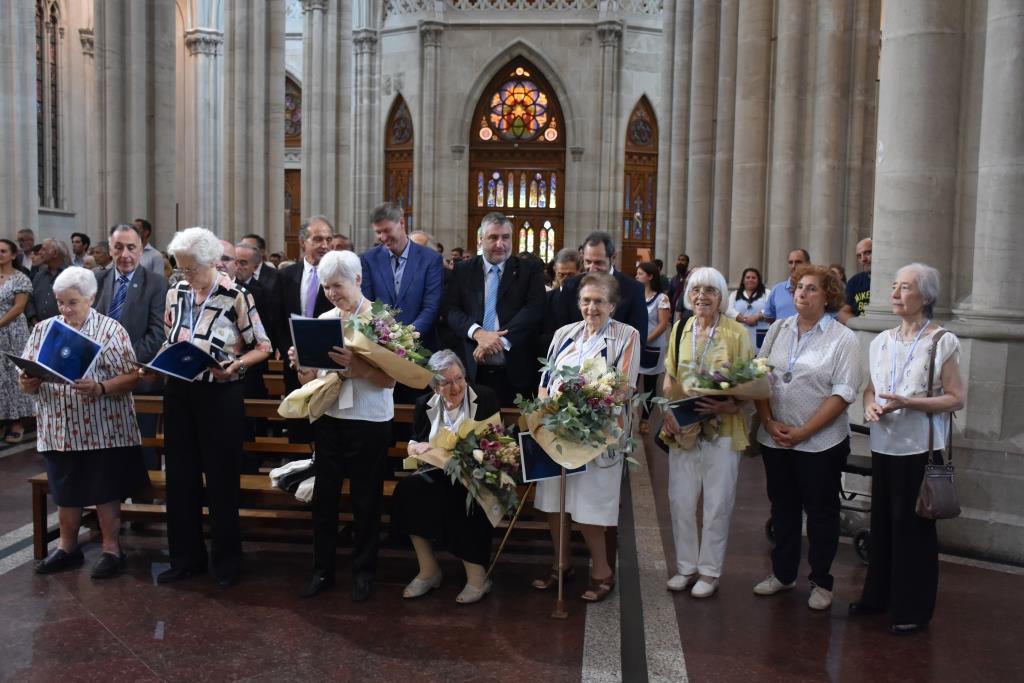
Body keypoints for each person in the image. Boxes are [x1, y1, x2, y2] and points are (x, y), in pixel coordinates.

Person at [153, 227, 271, 588]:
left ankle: (226, 563)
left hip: (220, 395)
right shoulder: (176, 293)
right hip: (179, 393)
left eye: (190, 269)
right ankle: (185, 559)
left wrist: (237, 366)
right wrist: (159, 360)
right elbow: (171, 338)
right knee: (181, 479)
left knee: (221, 482)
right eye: (180, 268)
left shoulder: (236, 295)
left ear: (210, 263)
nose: (184, 276)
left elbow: (262, 346)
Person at [852, 262, 964, 635]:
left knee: (913, 528)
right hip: (885, 444)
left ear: (926, 297)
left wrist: (909, 403)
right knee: (882, 522)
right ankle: (877, 597)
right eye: (895, 286)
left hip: (921, 447)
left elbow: (955, 398)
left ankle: (913, 608)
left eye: (905, 287)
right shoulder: (881, 340)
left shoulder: (941, 341)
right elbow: (871, 387)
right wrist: (870, 405)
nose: (896, 293)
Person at [20, 267, 147, 578]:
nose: (65, 309)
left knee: (105, 490)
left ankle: (111, 549)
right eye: (60, 302)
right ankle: (67, 548)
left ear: (91, 298)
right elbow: (25, 374)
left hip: (103, 425)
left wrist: (101, 387)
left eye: (72, 302)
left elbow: (132, 377)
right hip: (58, 427)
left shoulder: (110, 329)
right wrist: (27, 381)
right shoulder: (44, 329)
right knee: (65, 490)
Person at [287, 250, 394, 602]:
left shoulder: (382, 322)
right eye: (327, 286)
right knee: (325, 499)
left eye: (338, 285)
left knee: (366, 501)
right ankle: (322, 571)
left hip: (369, 421)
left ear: (358, 280)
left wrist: (355, 367)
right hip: (331, 418)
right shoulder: (324, 319)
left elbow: (391, 381)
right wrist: (301, 363)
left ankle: (364, 574)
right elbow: (311, 377)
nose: (332, 293)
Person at [753, 264, 861, 611]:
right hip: (776, 438)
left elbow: (843, 393)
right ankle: (783, 575)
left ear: (828, 295)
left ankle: (821, 581)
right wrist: (768, 421)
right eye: (799, 287)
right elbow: (759, 376)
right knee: (782, 508)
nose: (801, 292)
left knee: (821, 512)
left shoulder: (843, 338)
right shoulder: (780, 328)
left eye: (812, 288)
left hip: (821, 443)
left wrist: (804, 431)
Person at [533, 272, 640, 602]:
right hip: (559, 433)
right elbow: (546, 379)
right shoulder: (565, 333)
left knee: (590, 506)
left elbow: (622, 387)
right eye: (586, 301)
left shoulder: (625, 336)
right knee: (555, 501)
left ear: (612, 304)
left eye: (599, 301)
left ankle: (602, 571)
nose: (591, 307)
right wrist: (545, 409)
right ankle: (561, 564)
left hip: (599, 434)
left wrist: (582, 406)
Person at [661, 267, 753, 598]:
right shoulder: (681, 328)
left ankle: (709, 572)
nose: (702, 296)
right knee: (681, 500)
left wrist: (730, 406)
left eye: (710, 291)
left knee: (717, 503)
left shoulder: (736, 333)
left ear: (721, 297)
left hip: (723, 427)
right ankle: (686, 567)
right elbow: (669, 375)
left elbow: (750, 381)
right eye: (697, 290)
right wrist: (668, 411)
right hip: (684, 427)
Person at [391, 350, 502, 604]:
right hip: (437, 472)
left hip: (477, 474)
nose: (455, 387)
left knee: (461, 496)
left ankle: (477, 577)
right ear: (434, 386)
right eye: (446, 382)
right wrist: (415, 448)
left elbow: (496, 441)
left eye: (459, 379)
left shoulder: (484, 397)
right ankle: (429, 570)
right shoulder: (424, 405)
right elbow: (415, 442)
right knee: (408, 491)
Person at [444, 212, 546, 407]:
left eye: (506, 237)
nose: (501, 244)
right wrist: (478, 333)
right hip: (472, 369)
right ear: (481, 239)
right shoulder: (463, 270)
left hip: (516, 368)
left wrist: (497, 341)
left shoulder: (528, 270)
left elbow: (535, 309)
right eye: (493, 237)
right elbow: (451, 310)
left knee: (515, 432)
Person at [278, 216, 334, 441]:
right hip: (294, 360)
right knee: (299, 424)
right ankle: (296, 469)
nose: (325, 245)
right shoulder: (285, 275)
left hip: (328, 362)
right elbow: (278, 320)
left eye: (329, 239)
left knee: (326, 425)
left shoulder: (336, 276)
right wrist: (289, 351)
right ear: (303, 242)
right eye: (318, 239)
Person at [361, 202, 445, 351]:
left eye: (387, 230)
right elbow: (367, 303)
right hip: (380, 347)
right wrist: (386, 337)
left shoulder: (431, 259)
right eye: (378, 232)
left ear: (401, 223)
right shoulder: (368, 260)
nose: (383, 237)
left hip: (420, 346)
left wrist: (406, 338)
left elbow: (431, 307)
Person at [550, 231, 648, 349]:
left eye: (598, 262)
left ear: (612, 259)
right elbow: (562, 330)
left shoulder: (633, 289)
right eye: (588, 262)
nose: (592, 268)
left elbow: (638, 340)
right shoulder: (571, 286)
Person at [93, 224, 168, 369]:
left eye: (131, 248)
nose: (125, 255)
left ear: (140, 251)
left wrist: (121, 361)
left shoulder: (157, 284)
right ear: (110, 250)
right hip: (97, 372)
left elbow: (157, 334)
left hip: (136, 373)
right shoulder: (96, 279)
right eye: (119, 247)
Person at [0, 238, 35, 443]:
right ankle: (2, 418)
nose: (0, 254)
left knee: (13, 377)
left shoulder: (20, 278)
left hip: (12, 332)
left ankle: (16, 423)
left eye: (3, 251)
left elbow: (18, 308)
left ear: (13, 255)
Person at [635, 261, 671, 434]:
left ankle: (644, 419)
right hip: (636, 344)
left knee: (649, 386)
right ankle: (629, 415)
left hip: (652, 346)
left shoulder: (661, 298)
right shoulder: (636, 294)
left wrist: (647, 339)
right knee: (631, 382)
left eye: (640, 273)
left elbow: (663, 324)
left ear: (650, 277)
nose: (637, 276)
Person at [726, 267, 772, 352]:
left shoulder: (767, 293)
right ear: (743, 280)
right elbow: (728, 310)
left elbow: (771, 308)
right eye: (747, 277)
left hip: (760, 334)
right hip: (740, 333)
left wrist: (757, 317)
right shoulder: (735, 294)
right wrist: (744, 319)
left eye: (753, 278)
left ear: (758, 280)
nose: (750, 280)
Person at [762, 248, 810, 323]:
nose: (793, 266)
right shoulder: (777, 290)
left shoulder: (817, 290)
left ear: (808, 264)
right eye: (790, 262)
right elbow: (769, 317)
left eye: (798, 262)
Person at [31, 239, 71, 323]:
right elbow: (30, 300)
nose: (40, 252)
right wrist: (33, 319)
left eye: (44, 249)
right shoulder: (39, 276)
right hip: (39, 327)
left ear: (55, 253)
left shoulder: (72, 275)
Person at [840, 237, 873, 323]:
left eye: (868, 253)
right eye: (859, 256)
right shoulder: (855, 281)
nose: (863, 259)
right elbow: (843, 312)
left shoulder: (891, 280)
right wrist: (861, 327)